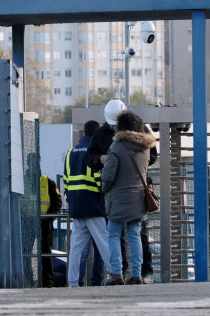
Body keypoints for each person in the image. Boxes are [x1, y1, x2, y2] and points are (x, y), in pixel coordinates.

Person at [100, 110, 156, 286]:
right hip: (138, 198)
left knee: (114, 235)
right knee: (135, 235)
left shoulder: (116, 147)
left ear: (122, 127)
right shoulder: (146, 148)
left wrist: (104, 189)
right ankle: (136, 275)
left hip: (118, 199)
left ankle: (116, 274)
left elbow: (108, 175)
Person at [64, 119, 112, 287]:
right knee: (104, 243)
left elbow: (66, 181)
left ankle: (72, 282)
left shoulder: (71, 153)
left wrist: (72, 200)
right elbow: (99, 179)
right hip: (93, 204)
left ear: (84, 133)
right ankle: (115, 275)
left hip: (76, 205)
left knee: (76, 247)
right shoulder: (94, 153)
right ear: (96, 134)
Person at [40, 173, 62, 287]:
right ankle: (29, 278)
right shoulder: (24, 182)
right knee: (26, 253)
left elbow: (57, 202)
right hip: (28, 222)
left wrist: (48, 218)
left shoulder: (48, 182)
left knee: (46, 253)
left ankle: (47, 282)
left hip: (44, 223)